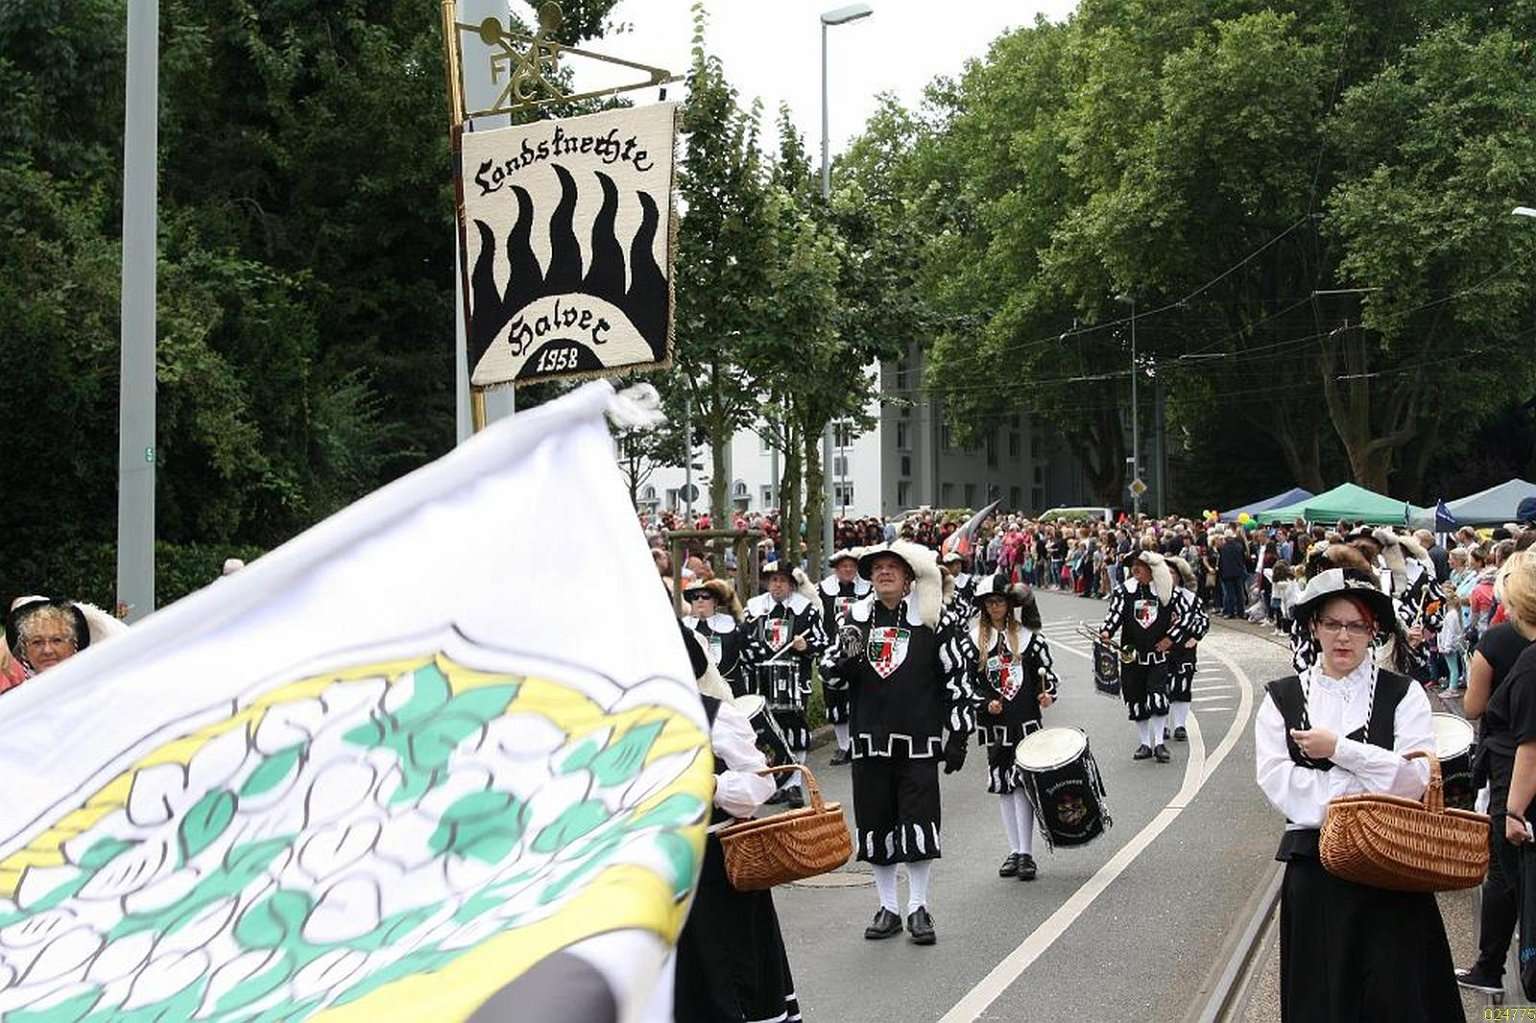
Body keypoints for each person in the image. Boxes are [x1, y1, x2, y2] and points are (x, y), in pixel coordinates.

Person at [1254, 567, 1463, 1021]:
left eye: (1356, 625)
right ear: (1314, 627)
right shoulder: (1281, 698)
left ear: (1373, 631)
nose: (1343, 636)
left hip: (1392, 865)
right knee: (1324, 1001)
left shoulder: (1404, 694)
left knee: (1398, 998)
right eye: (1332, 624)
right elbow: (1279, 783)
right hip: (1316, 868)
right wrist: (1368, 783)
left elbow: (1414, 779)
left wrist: (1339, 750)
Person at [821, 541, 974, 946]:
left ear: (908, 577)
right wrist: (842, 664)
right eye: (877, 568)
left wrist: (958, 733)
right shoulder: (854, 619)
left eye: (893, 567)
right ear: (870, 578)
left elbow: (957, 676)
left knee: (919, 823)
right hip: (869, 740)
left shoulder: (932, 618)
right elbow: (829, 673)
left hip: (918, 740)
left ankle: (918, 907)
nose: (884, 572)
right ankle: (887, 907)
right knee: (876, 824)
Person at [672, 624, 801, 1023]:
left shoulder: (714, 716)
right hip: (657, 877)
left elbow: (760, 783)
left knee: (731, 985)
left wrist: (711, 784)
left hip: (718, 872)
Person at [1454, 550, 1536, 994]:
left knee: (1508, 875)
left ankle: (1496, 970)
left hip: (1512, 773)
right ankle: (1496, 966)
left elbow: (1474, 707)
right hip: (1515, 767)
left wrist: (1514, 812)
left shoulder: (1504, 645)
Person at [962, 575, 1057, 881]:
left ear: (1009, 604)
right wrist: (984, 702)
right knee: (1004, 786)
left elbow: (1047, 675)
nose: (995, 607)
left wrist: (1047, 693)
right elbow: (966, 684)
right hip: (996, 726)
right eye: (990, 603)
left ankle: (1027, 852)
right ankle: (1014, 850)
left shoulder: (1030, 637)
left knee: (1024, 786)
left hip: (1026, 721)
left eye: (999, 601)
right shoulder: (974, 640)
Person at [743, 565, 828, 809]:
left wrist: (806, 646)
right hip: (761, 680)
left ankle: (794, 785)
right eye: (773, 580)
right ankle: (776, 784)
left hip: (794, 679)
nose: (777, 585)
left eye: (782, 581)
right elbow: (743, 639)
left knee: (795, 731)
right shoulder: (754, 609)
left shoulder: (806, 609)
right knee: (768, 734)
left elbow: (823, 641)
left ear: (792, 585)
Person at [1099, 551, 1184, 763]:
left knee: (1157, 697)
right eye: (1133, 565)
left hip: (1157, 656)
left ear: (1151, 568)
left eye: (1140, 564)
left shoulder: (1166, 591)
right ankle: (1145, 743)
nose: (1135, 568)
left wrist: (1170, 639)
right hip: (1132, 656)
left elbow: (1186, 618)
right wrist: (1107, 631)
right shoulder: (1124, 591)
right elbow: (1114, 614)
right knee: (1136, 699)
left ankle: (1159, 744)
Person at [818, 550, 871, 766]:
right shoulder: (823, 590)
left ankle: (860, 743)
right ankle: (843, 746)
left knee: (860, 698)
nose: (847, 570)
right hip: (834, 650)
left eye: (851, 566)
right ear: (836, 569)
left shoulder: (868, 589)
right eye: (843, 566)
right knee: (836, 701)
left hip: (861, 651)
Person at [1165, 556, 1209, 743]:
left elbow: (1203, 621)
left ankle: (1180, 725)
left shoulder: (1190, 598)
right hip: (1161, 648)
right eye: (1165, 572)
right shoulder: (1155, 596)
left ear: (1181, 576)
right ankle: (1163, 725)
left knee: (1182, 685)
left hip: (1184, 649)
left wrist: (1195, 637)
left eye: (1172, 572)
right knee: (1162, 686)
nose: (1168, 576)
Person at [681, 578, 749, 698]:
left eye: (705, 596)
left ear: (715, 601)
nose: (700, 600)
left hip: (730, 690)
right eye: (695, 597)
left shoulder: (732, 624)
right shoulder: (683, 627)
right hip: (695, 691)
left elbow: (749, 657)